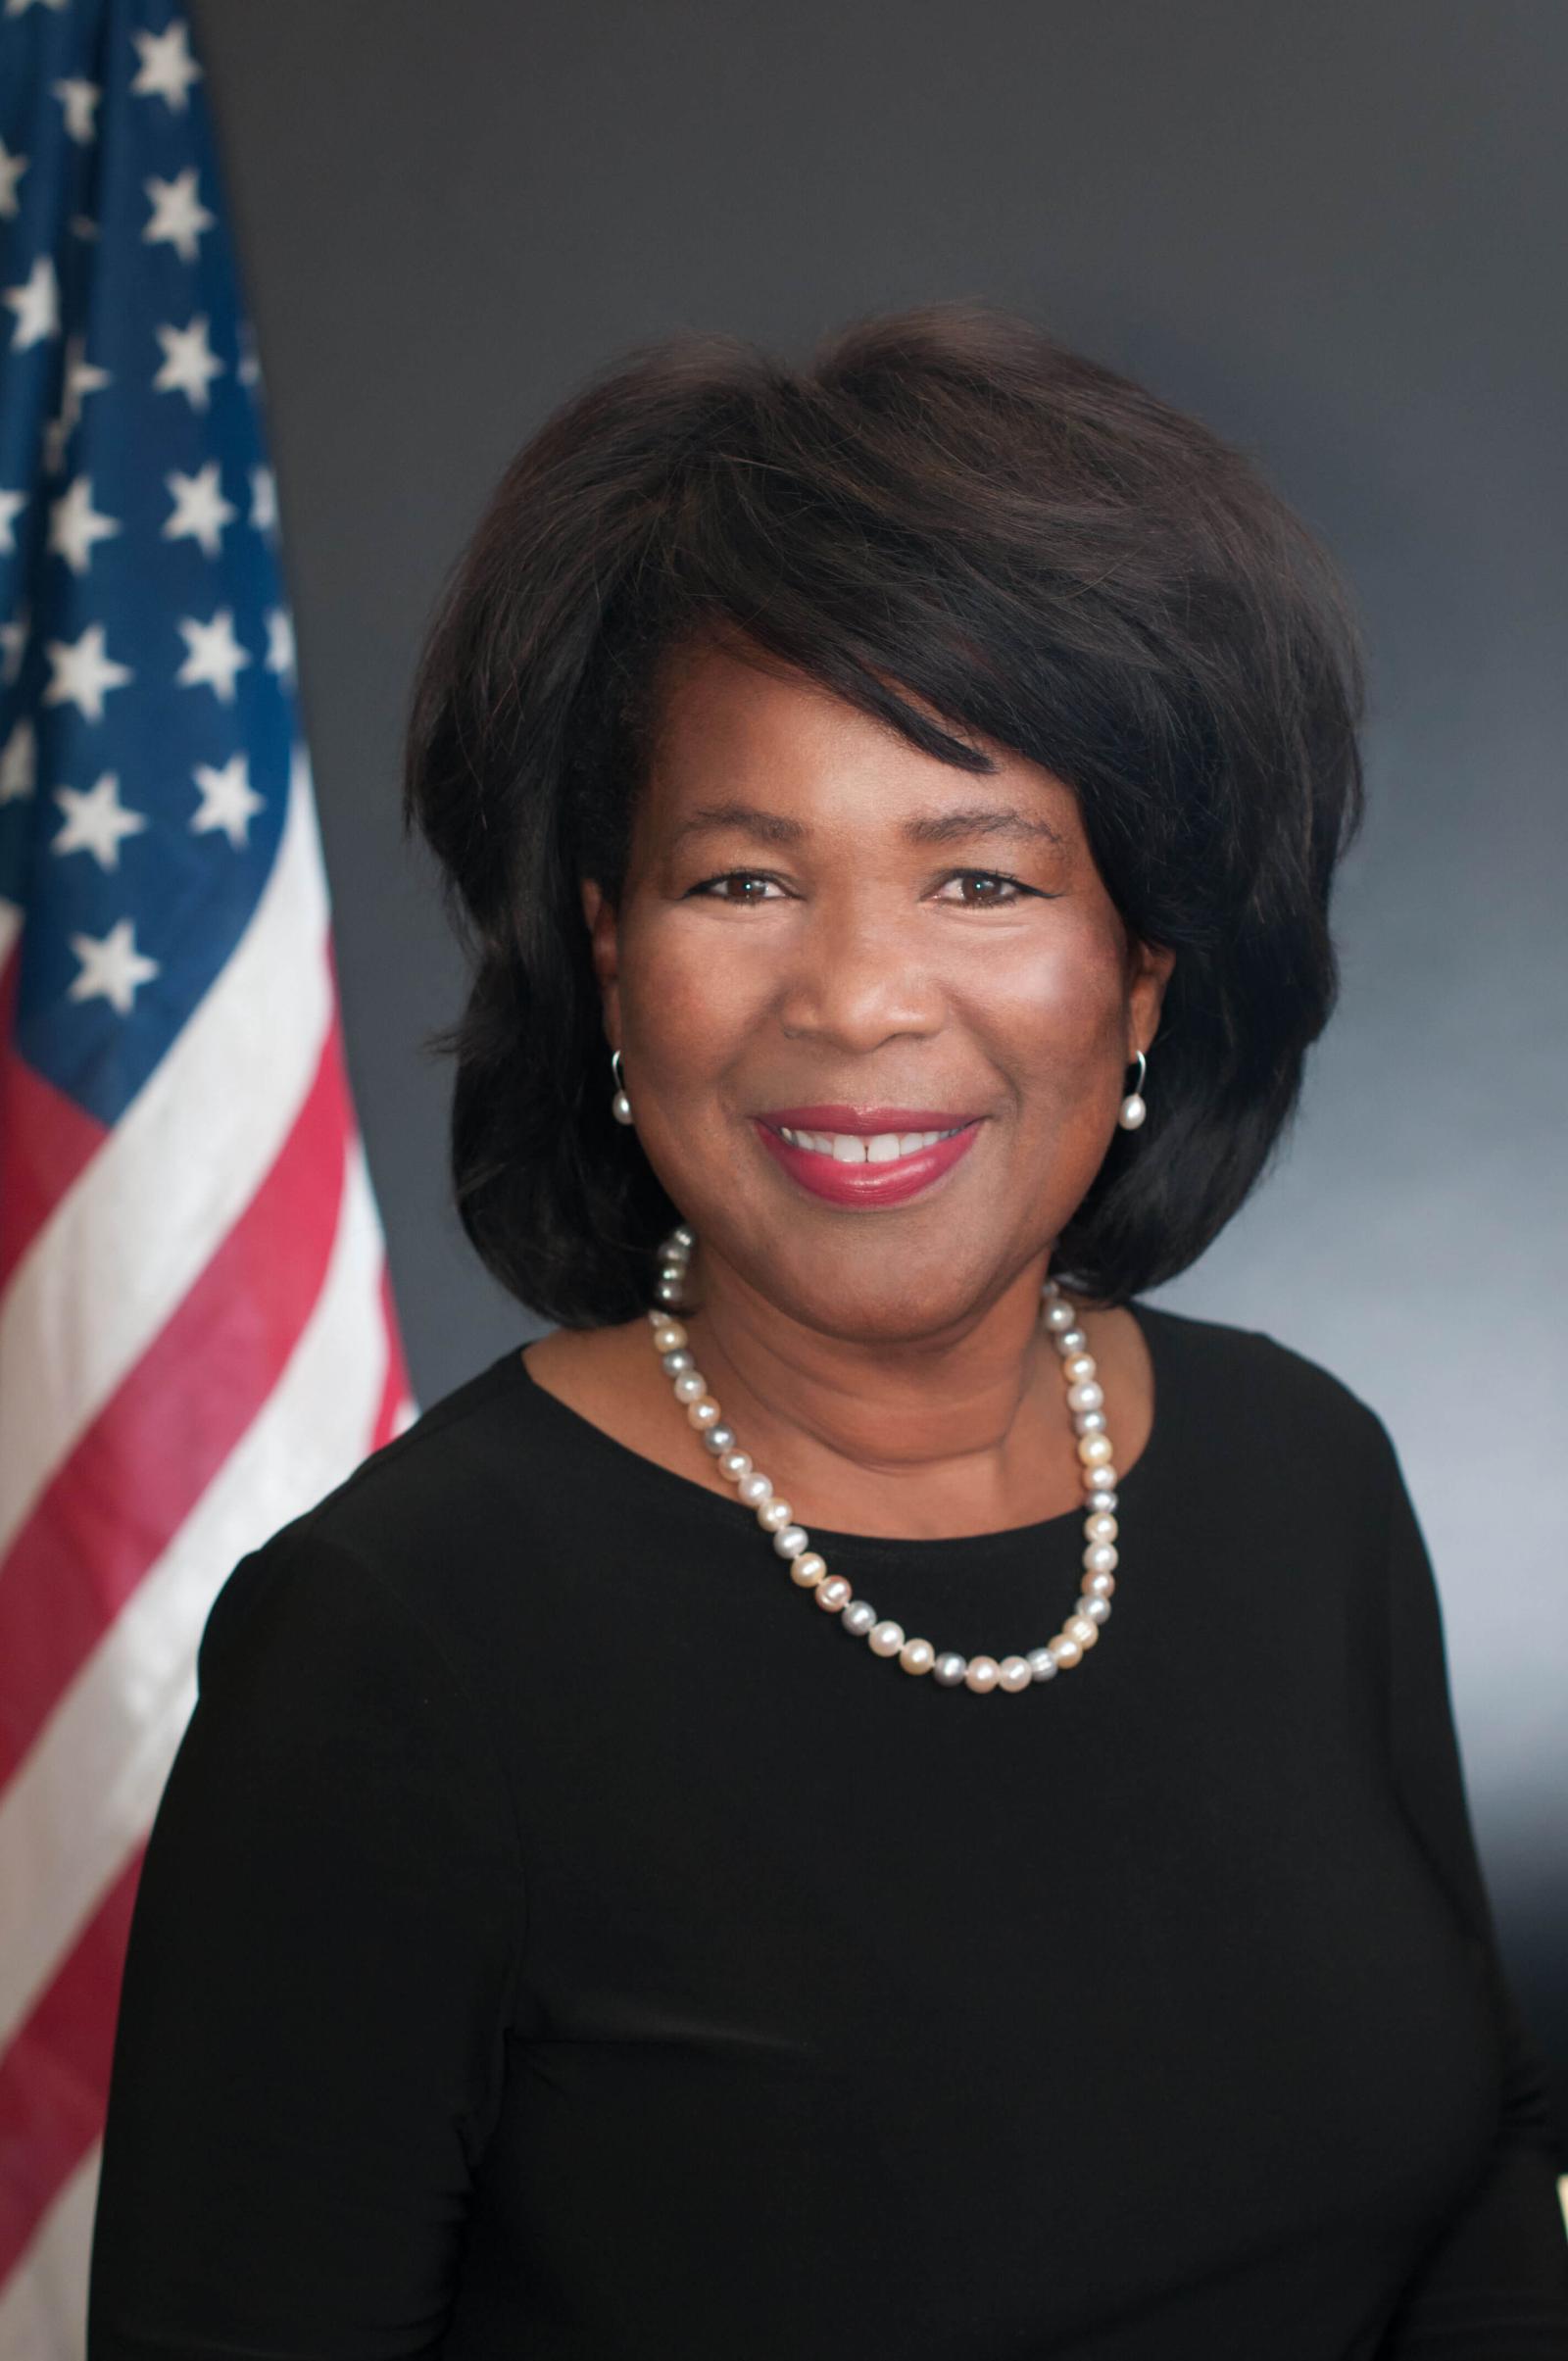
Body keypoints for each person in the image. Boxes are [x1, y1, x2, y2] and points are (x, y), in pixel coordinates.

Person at [86, 303, 1568, 2358]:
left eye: (976, 880)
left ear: (1141, 964)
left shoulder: (1299, 1469)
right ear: (606, 956)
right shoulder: (393, 1646)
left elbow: (1475, 2168)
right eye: (740, 878)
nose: (855, 998)